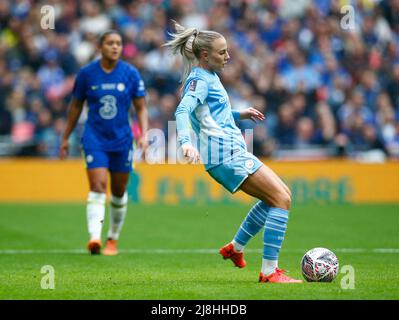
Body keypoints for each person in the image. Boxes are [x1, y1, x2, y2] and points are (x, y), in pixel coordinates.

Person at [164, 21, 302, 283]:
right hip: (225, 154)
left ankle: (235, 248)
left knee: (279, 196)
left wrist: (240, 113)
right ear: (205, 55)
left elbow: (209, 114)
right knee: (281, 200)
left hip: (229, 151)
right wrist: (185, 142)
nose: (228, 57)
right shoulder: (199, 80)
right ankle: (269, 272)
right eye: (222, 52)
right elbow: (183, 111)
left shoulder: (208, 77)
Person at [59, 30, 148, 256]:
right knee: (97, 187)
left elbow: (141, 108)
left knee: (118, 192)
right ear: (100, 47)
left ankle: (113, 238)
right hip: (94, 138)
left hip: (122, 140)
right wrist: (65, 136)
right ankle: (94, 238)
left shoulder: (130, 73)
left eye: (118, 43)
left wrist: (144, 135)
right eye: (110, 43)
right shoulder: (87, 74)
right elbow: (76, 106)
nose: (115, 47)